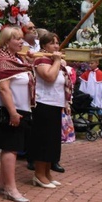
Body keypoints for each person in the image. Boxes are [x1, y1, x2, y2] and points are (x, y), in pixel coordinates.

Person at [0, 26, 34, 202]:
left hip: (20, 108)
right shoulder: (2, 61)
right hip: (8, 110)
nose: (21, 41)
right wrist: (13, 112)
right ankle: (11, 188)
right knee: (10, 148)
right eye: (17, 39)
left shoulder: (18, 59)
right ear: (7, 41)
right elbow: (3, 88)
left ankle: (2, 184)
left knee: (13, 147)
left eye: (22, 38)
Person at [30, 32, 71, 189]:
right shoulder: (40, 60)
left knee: (52, 141)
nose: (56, 45)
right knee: (43, 141)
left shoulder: (54, 61)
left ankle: (47, 172)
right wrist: (58, 61)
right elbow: (49, 77)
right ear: (44, 45)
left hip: (55, 104)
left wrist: (57, 61)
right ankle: (39, 174)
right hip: (43, 104)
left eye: (57, 42)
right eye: (52, 43)